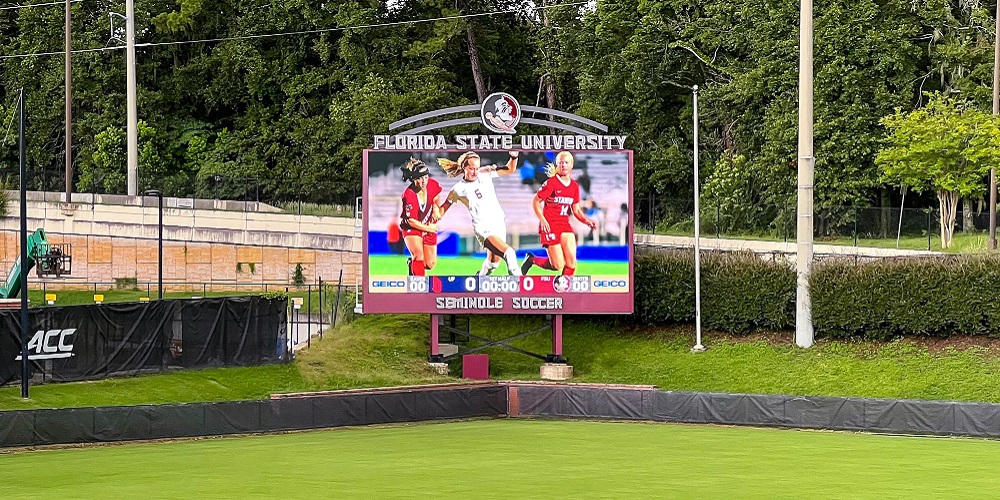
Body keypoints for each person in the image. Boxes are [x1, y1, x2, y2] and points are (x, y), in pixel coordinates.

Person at [437, 151, 522, 276]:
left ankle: (479, 279)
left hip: (498, 222)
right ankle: (521, 289)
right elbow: (442, 210)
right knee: (509, 253)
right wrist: (431, 214)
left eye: (477, 168)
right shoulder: (458, 189)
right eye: (471, 168)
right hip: (483, 228)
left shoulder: (485, 173)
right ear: (464, 167)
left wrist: (514, 156)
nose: (475, 172)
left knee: (493, 264)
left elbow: (509, 169)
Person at [521, 151, 597, 276]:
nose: (563, 165)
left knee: (571, 264)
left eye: (566, 162)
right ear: (557, 165)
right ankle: (531, 259)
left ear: (571, 165)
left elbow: (576, 210)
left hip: (564, 225)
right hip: (549, 226)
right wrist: (542, 219)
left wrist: (587, 221)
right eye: (561, 162)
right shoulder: (551, 183)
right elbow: (535, 201)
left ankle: (563, 289)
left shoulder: (574, 186)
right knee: (557, 265)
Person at [398, 157, 443, 276]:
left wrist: (435, 208)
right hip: (412, 228)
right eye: (420, 178)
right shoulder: (409, 195)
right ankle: (419, 287)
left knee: (430, 264)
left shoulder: (433, 185)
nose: (424, 181)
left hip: (427, 224)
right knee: (418, 254)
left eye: (426, 177)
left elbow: (436, 196)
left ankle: (412, 264)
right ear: (413, 179)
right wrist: (428, 228)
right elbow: (411, 221)